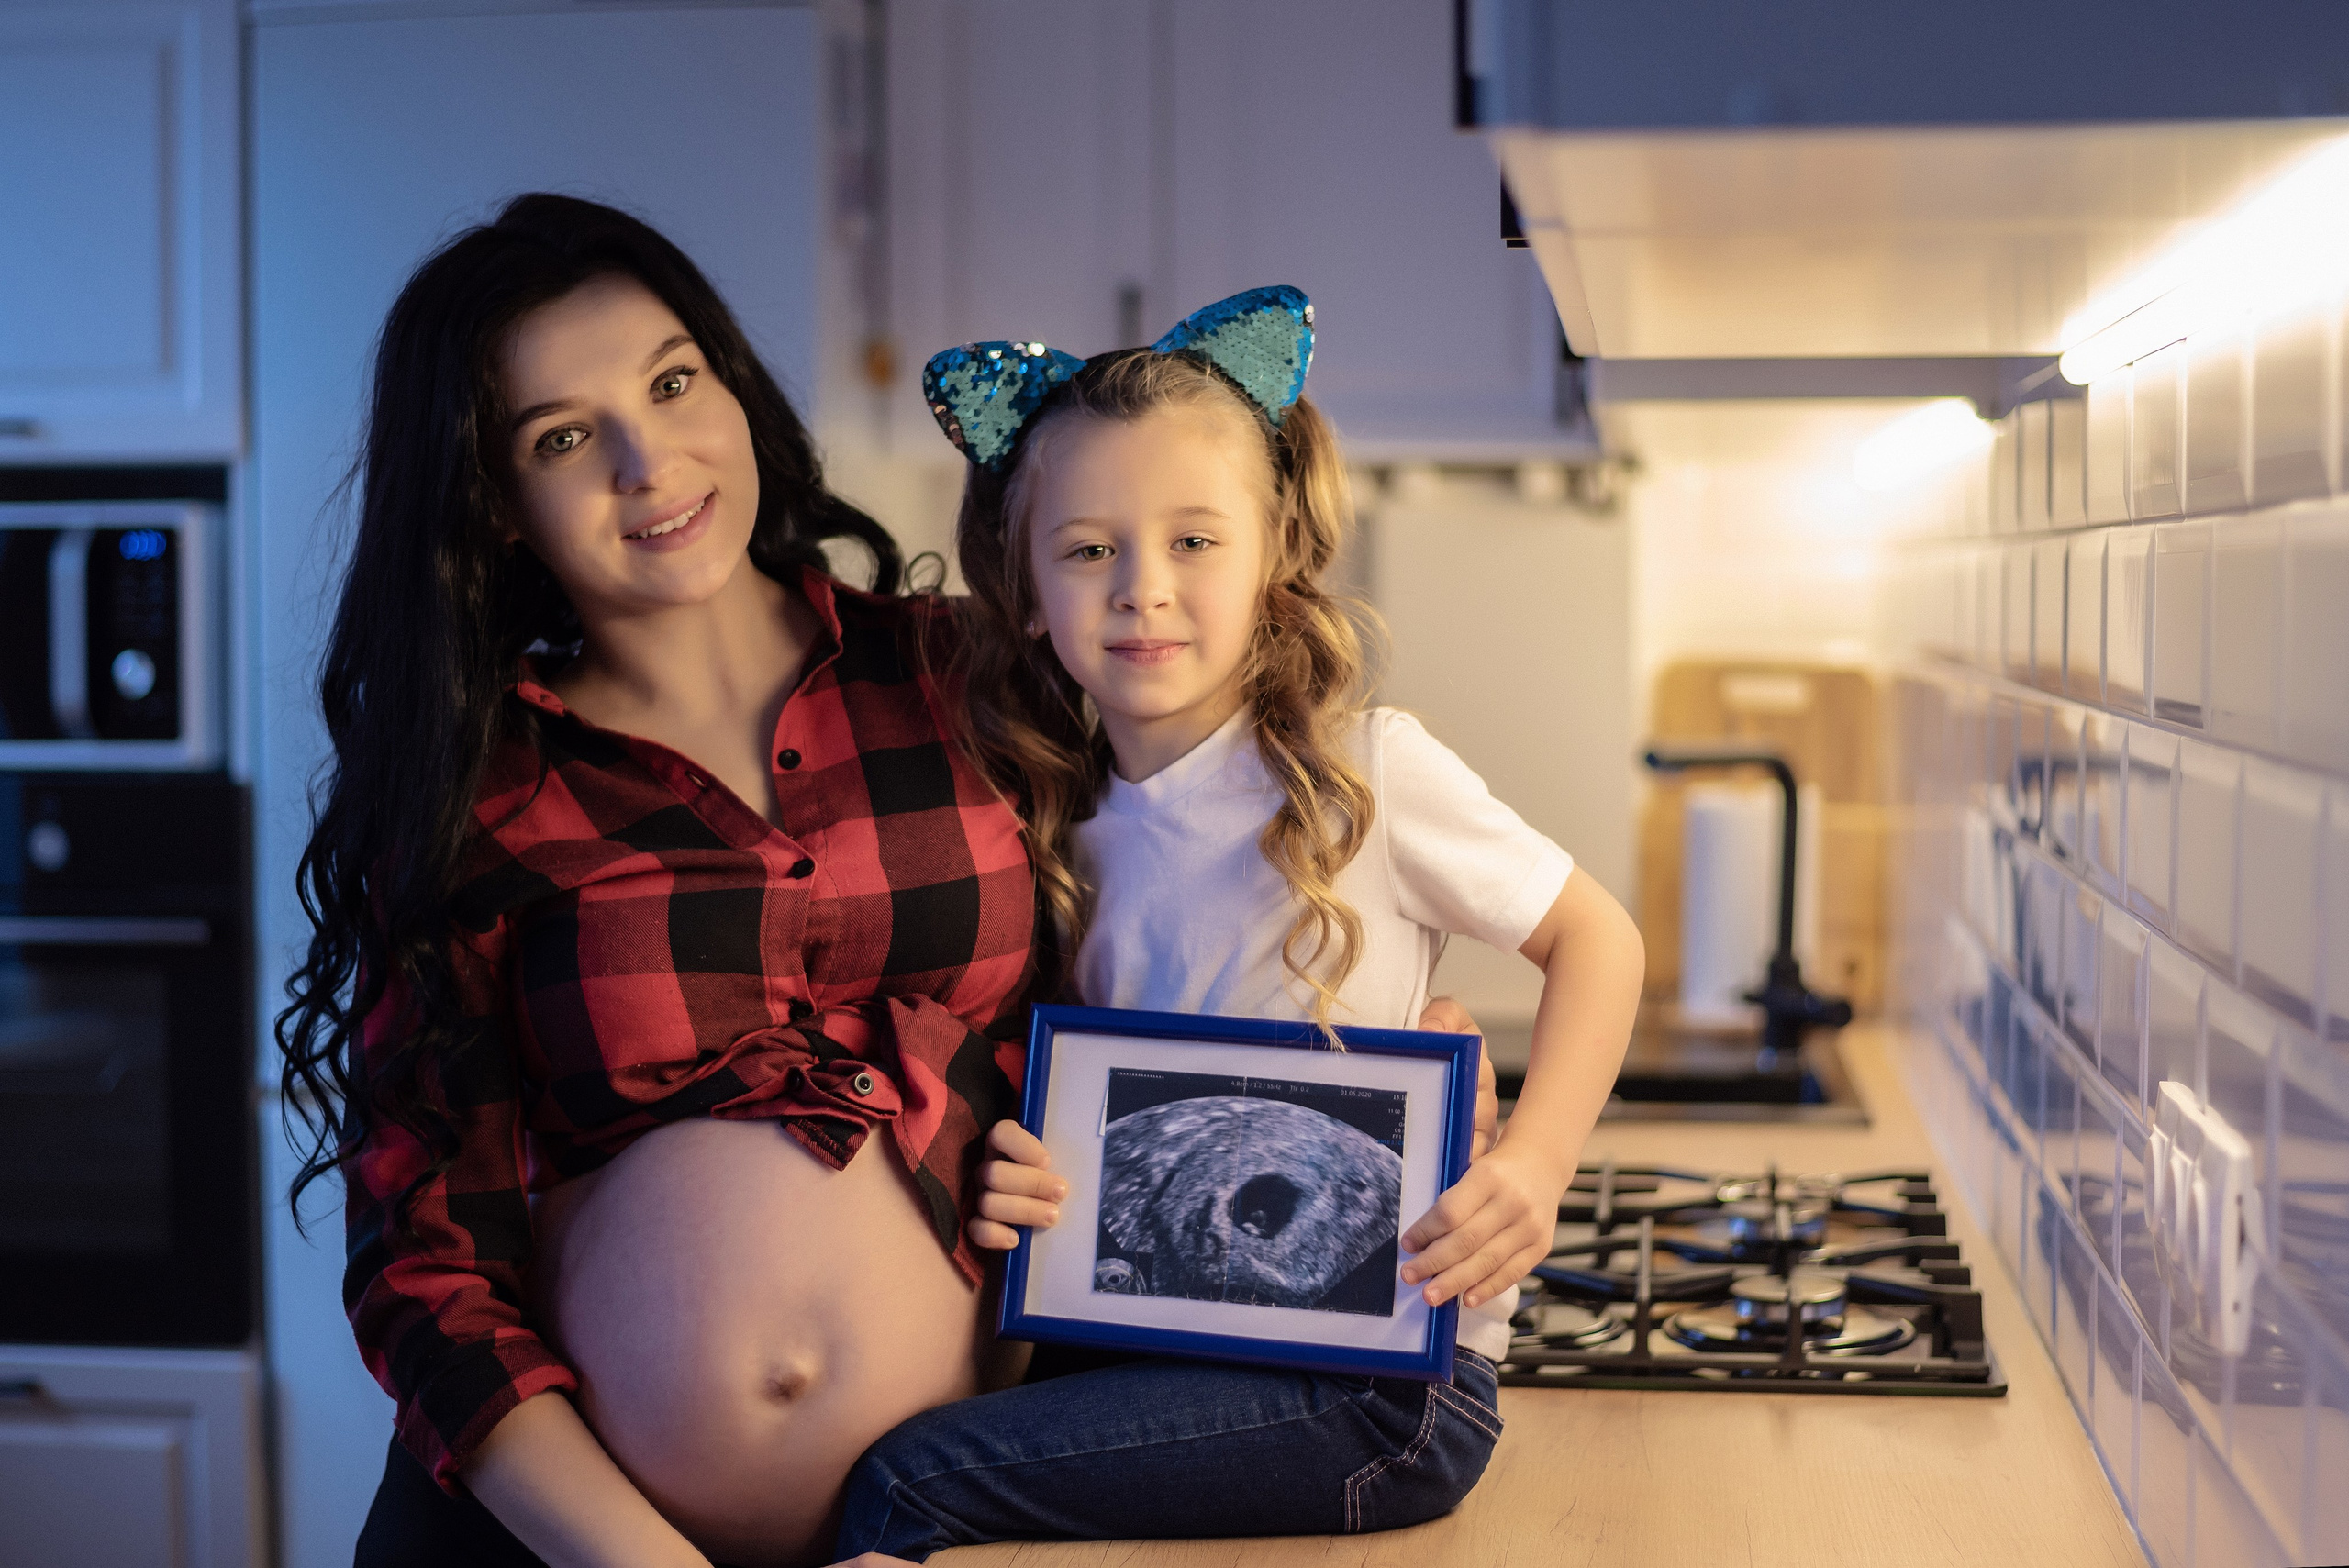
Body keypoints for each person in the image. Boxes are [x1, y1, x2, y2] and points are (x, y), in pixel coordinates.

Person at [278, 198, 1488, 1568]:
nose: (648, 461)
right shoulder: (477, 797)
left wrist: (1387, 1054)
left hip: (964, 1527)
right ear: (494, 505)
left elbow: (1217, 864)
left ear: (734, 386)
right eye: (562, 437)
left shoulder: (980, 678)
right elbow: (426, 1267)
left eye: (673, 383)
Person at [828, 288, 1645, 1560]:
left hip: (1380, 1387)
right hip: (1156, 1346)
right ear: (1027, 590)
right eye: (1088, 550)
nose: (1141, 590)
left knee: (906, 1483)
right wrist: (1023, 1176)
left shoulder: (1370, 772)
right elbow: (1092, 1138)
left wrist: (1533, 1165)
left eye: (1195, 541)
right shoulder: (1048, 824)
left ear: (1275, 562)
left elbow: (1600, 941)